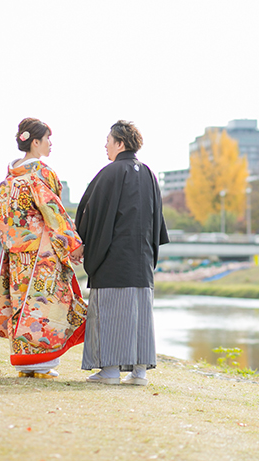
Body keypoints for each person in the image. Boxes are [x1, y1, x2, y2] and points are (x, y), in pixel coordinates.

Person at [0, 118, 87, 378]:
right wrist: (72, 243)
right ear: (35, 142)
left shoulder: (8, 180)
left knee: (21, 305)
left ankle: (24, 364)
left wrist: (14, 243)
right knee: (44, 305)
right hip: (41, 253)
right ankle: (41, 364)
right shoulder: (40, 173)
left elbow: (3, 220)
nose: (50, 144)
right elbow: (53, 212)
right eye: (47, 139)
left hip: (16, 253)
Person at [72, 120, 169, 385]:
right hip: (142, 261)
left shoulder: (111, 173)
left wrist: (82, 243)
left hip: (113, 260)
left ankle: (111, 371)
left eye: (108, 141)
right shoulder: (149, 174)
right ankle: (139, 373)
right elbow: (157, 220)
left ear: (120, 143)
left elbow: (92, 213)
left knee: (111, 314)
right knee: (140, 316)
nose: (105, 146)